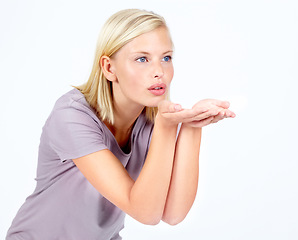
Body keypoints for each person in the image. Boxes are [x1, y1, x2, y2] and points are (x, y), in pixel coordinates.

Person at [6, 9, 235, 240]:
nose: (159, 72)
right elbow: (144, 212)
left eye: (166, 58)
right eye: (142, 59)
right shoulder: (71, 115)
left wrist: (193, 126)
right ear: (109, 68)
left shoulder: (153, 120)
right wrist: (166, 127)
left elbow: (173, 214)